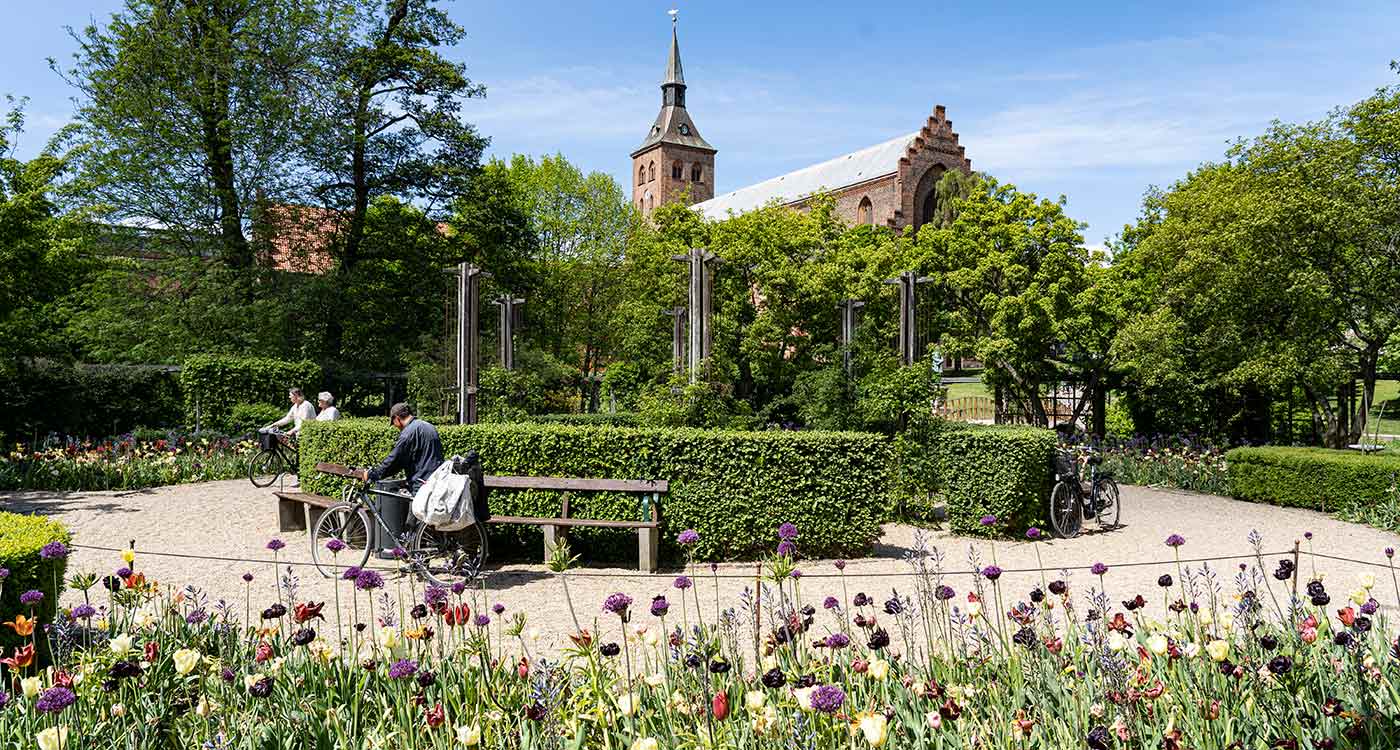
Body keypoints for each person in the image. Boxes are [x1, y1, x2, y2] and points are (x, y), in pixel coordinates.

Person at [356, 403, 443, 493]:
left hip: (422, 486)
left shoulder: (408, 433)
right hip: (437, 481)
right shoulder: (429, 427)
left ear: (397, 418)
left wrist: (372, 474)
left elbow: (394, 460)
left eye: (393, 423)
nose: (395, 426)